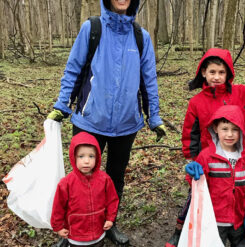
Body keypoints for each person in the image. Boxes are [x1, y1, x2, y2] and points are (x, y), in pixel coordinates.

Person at [48, 0, 166, 246]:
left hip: (127, 124)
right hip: (90, 121)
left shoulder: (141, 37)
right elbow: (73, 69)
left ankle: (109, 223)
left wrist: (153, 116)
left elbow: (149, 80)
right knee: (81, 176)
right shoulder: (91, 29)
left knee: (114, 178)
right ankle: (70, 229)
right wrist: (62, 105)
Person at [166, 48, 245, 246]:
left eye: (221, 73)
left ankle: (240, 226)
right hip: (207, 163)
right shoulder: (197, 102)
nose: (216, 77)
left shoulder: (241, 94)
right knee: (196, 199)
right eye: (212, 72)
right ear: (203, 72)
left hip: (239, 159)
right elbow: (190, 133)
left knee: (237, 194)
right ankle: (181, 230)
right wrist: (192, 160)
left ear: (228, 74)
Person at [185, 105, 245, 247]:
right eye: (225, 129)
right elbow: (196, 184)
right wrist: (192, 173)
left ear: (242, 132)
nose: (229, 134)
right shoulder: (207, 156)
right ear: (215, 129)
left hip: (238, 221)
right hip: (214, 221)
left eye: (235, 129)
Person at [51, 132, 119, 247]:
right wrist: (58, 226)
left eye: (91, 156)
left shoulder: (104, 179)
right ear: (73, 157)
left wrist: (110, 218)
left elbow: (112, 200)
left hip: (99, 233)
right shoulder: (66, 183)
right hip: (76, 236)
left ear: (97, 157)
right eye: (81, 156)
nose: (86, 161)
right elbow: (58, 207)